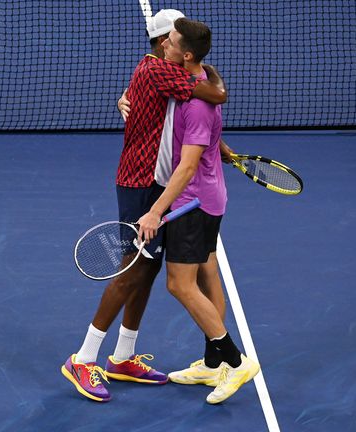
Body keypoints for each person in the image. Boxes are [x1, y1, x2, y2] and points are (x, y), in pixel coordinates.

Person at [61, 9, 228, 403]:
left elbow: (185, 108)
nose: (178, 41)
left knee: (147, 271)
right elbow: (215, 91)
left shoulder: (164, 70)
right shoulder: (158, 69)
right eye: (174, 36)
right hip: (141, 186)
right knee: (131, 271)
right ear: (163, 42)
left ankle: (122, 357)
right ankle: (83, 359)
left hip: (158, 185)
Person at [136, 17, 260, 404]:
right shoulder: (205, 80)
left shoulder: (196, 104)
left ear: (186, 54)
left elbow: (186, 166)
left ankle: (236, 362)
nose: (164, 47)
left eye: (170, 43)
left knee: (179, 284)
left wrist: (156, 210)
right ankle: (211, 363)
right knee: (207, 275)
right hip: (210, 197)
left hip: (192, 201)